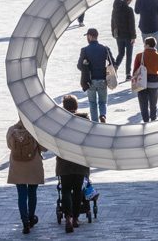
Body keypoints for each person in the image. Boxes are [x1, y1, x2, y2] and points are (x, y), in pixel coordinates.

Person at [55, 95, 89, 233]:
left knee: (66, 190)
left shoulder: (59, 121)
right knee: (77, 191)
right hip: (80, 161)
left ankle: (68, 218)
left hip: (64, 161)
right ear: (76, 106)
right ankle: (75, 218)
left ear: (64, 107)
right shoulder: (84, 120)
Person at [6, 120, 45, 234]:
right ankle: (31, 217)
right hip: (33, 165)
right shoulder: (35, 130)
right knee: (32, 192)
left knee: (21, 194)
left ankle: (25, 222)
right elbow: (43, 147)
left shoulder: (12, 130)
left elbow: (9, 146)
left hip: (17, 165)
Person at [77, 27, 114, 122]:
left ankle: (95, 123)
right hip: (102, 79)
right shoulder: (105, 48)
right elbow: (113, 63)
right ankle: (103, 115)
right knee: (103, 101)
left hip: (90, 81)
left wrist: (86, 65)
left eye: (87, 36)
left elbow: (79, 66)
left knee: (92, 103)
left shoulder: (84, 50)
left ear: (89, 36)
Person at [132, 37, 158, 122]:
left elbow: (135, 72)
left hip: (141, 83)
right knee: (153, 104)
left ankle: (146, 121)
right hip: (154, 82)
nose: (143, 46)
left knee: (143, 105)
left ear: (147, 45)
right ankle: (153, 120)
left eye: (144, 44)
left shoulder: (139, 56)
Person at [111, 0, 137, 81]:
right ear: (129, 0)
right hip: (128, 36)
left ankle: (115, 66)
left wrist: (113, 33)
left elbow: (112, 22)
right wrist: (133, 36)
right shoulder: (129, 10)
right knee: (129, 55)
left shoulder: (115, 9)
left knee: (121, 53)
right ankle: (128, 74)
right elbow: (132, 24)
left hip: (118, 35)